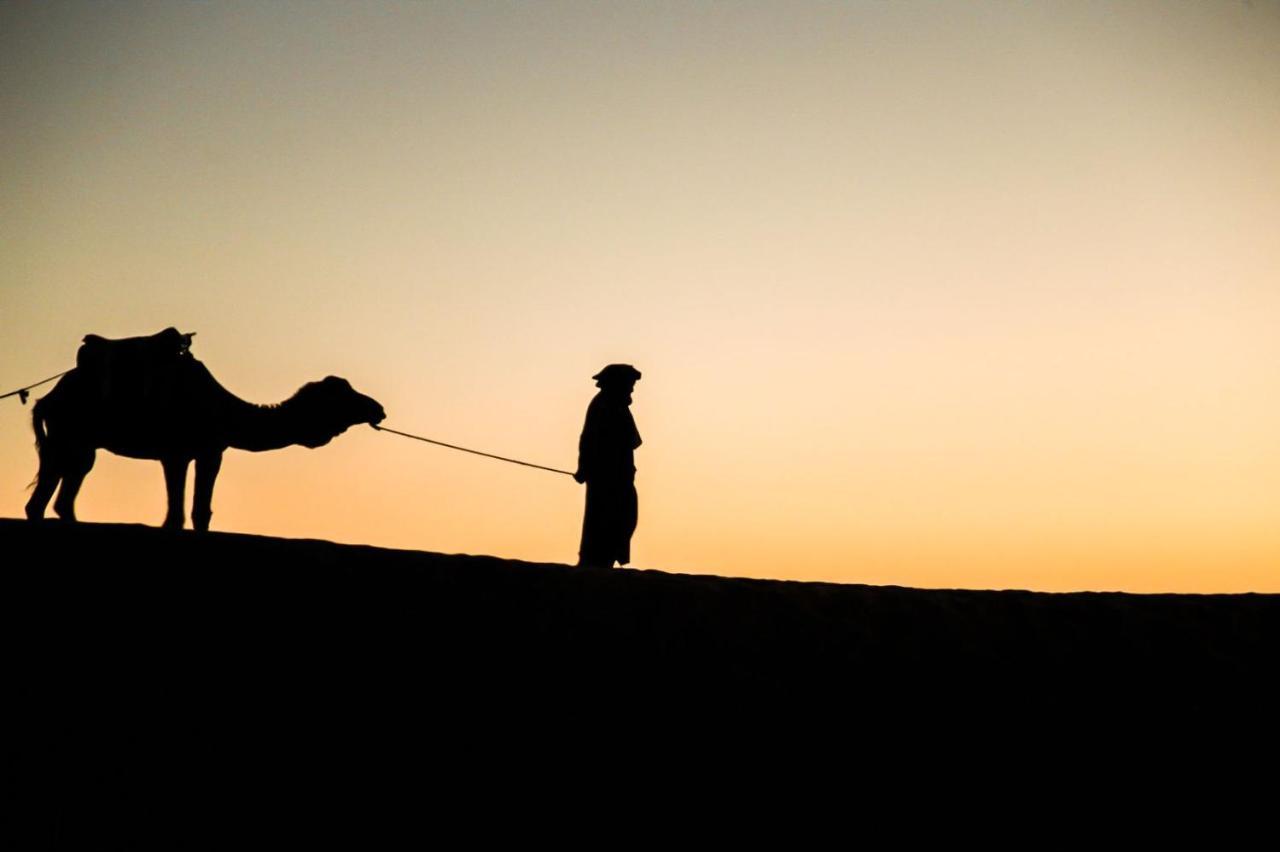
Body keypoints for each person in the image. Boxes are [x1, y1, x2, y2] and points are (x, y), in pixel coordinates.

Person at [574, 364, 642, 568]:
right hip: (609, 480)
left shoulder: (613, 404)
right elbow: (588, 439)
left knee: (621, 520)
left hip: (617, 477)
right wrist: (584, 467)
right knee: (608, 522)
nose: (632, 390)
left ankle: (604, 561)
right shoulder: (606, 405)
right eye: (629, 385)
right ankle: (599, 563)